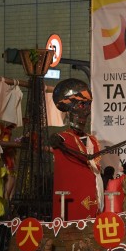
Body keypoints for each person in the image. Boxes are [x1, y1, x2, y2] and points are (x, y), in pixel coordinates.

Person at [50, 78, 103, 220]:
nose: (86, 110)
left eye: (88, 104)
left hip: (92, 194)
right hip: (70, 201)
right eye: (81, 104)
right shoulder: (63, 138)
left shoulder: (92, 141)